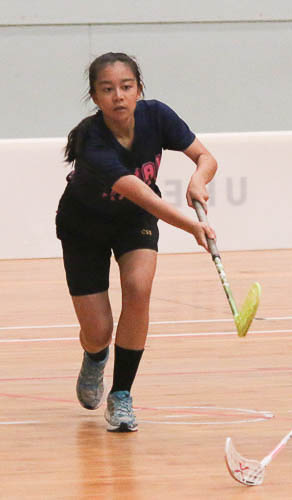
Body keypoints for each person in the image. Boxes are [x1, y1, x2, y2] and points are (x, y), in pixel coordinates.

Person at [56, 52, 217, 432]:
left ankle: (121, 395)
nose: (118, 96)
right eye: (107, 89)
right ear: (94, 97)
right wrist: (192, 226)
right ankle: (95, 359)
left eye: (126, 87)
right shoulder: (91, 141)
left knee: (138, 287)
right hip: (83, 226)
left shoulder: (157, 115)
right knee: (98, 333)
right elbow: (142, 194)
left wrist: (199, 179)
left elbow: (205, 156)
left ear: (139, 89)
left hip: (133, 224)